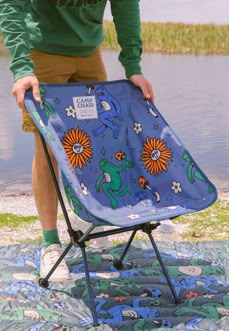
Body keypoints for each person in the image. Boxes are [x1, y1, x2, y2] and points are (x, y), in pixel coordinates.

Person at [0, 0, 154, 282]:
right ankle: (50, 244)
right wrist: (22, 67)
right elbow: (12, 4)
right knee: (47, 148)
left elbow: (125, 5)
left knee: (98, 142)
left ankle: (88, 215)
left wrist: (132, 64)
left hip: (89, 52)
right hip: (42, 52)